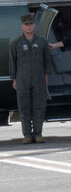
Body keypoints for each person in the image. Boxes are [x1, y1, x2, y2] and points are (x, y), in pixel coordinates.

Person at [9, 14, 52, 144]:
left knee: (39, 106)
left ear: (35, 25)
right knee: (24, 107)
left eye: (31, 24)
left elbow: (47, 61)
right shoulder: (16, 43)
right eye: (26, 24)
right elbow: (13, 62)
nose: (29, 26)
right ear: (22, 26)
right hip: (22, 79)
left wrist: (46, 77)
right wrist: (14, 79)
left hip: (39, 78)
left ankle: (38, 133)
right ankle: (27, 135)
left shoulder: (42, 41)